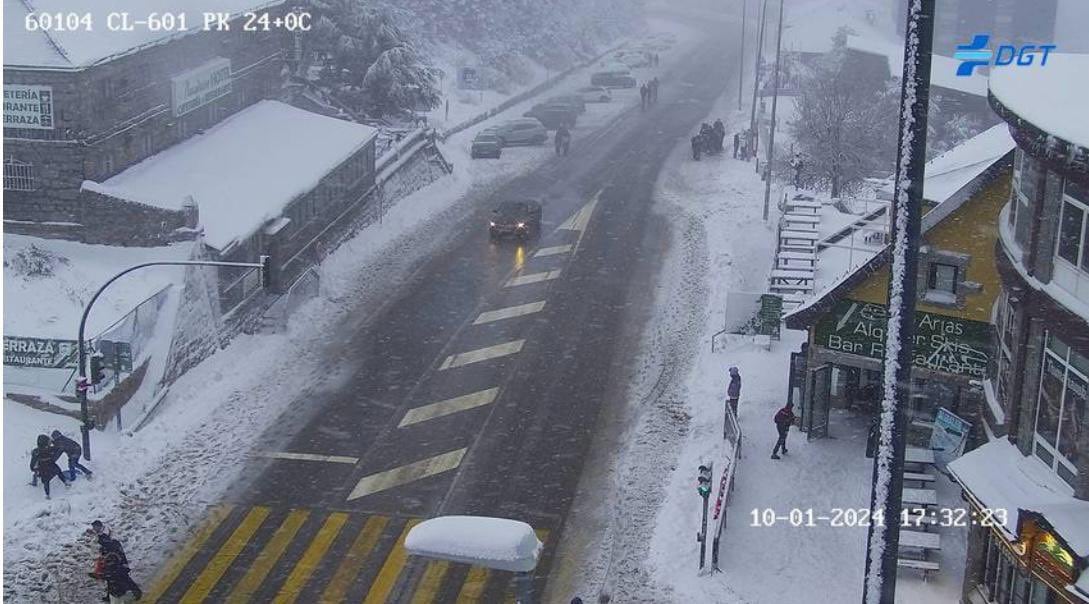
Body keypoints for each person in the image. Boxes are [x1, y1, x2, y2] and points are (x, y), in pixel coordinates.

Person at [91, 533, 141, 603]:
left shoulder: (114, 545)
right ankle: (109, 596)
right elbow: (104, 557)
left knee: (125, 578)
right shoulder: (106, 547)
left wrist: (123, 564)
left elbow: (120, 555)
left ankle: (136, 591)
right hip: (114, 566)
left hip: (120, 565)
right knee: (111, 581)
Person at [30, 433, 69, 499]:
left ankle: (48, 494)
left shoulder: (36, 451)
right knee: (56, 473)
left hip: (44, 467)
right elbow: (57, 448)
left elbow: (32, 463)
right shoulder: (49, 449)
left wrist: (33, 468)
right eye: (48, 442)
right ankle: (65, 483)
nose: (49, 443)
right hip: (48, 465)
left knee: (47, 480)